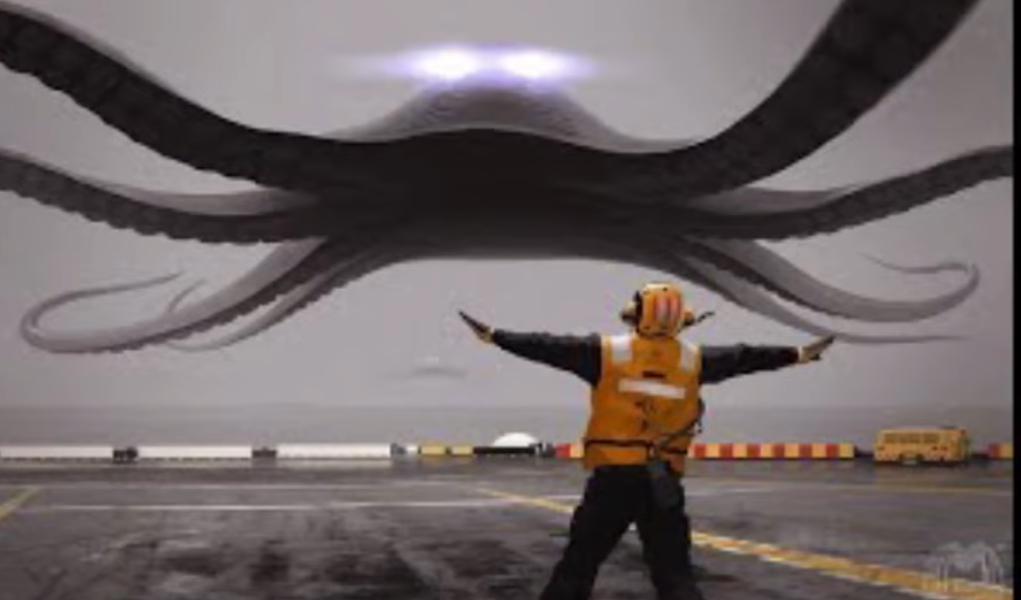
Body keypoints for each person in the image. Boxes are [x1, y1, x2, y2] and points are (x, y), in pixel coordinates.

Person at [459, 281, 834, 600]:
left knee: (579, 566)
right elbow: (746, 357)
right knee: (675, 575)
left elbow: (546, 346)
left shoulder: (606, 353)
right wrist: (798, 354)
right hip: (662, 483)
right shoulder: (695, 360)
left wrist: (496, 336)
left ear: (640, 314)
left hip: (613, 481)